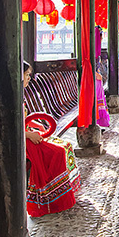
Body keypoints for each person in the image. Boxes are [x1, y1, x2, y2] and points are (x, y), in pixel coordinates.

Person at [23, 61, 82, 217]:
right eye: (27, 75)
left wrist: (36, 126)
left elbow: (21, 120)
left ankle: (59, 194)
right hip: (21, 141)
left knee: (65, 146)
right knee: (57, 152)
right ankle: (50, 199)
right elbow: (8, 126)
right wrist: (29, 134)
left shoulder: (18, 94)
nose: (29, 78)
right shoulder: (9, 97)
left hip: (28, 134)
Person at [94, 27, 110, 127]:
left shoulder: (96, 50)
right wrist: (96, 74)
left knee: (99, 99)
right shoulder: (92, 49)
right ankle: (97, 121)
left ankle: (100, 121)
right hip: (94, 78)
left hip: (97, 78)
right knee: (97, 99)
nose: (101, 39)